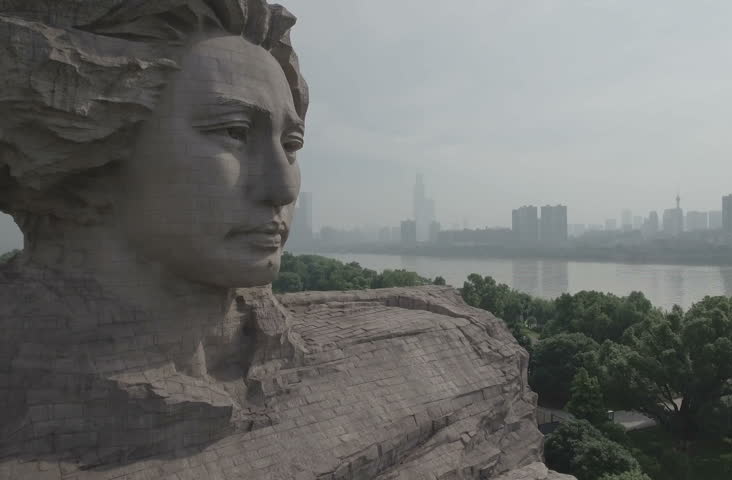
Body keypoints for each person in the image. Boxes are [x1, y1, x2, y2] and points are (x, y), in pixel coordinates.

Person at [0, 2, 567, 478]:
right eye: (234, 132)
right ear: (99, 148)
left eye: (291, 144)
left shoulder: (447, 340)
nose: (283, 184)